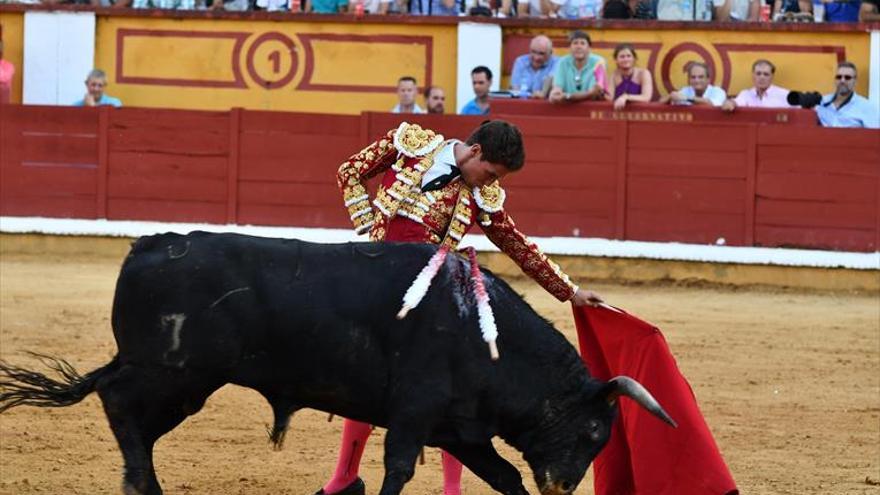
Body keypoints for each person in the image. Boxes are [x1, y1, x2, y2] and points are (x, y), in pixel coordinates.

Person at [325, 120, 603, 495]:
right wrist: (367, 223)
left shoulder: (482, 196)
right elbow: (350, 171)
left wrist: (569, 291)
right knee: (363, 380)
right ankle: (344, 478)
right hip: (376, 282)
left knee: (450, 390)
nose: (490, 184)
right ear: (475, 151)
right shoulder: (410, 145)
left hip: (430, 297)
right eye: (489, 174)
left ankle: (451, 490)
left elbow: (517, 245)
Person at [548, 30, 607, 104]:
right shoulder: (562, 62)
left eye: (582, 43)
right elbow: (557, 90)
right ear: (569, 48)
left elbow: (593, 94)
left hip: (589, 108)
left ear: (589, 48)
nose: (578, 47)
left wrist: (567, 96)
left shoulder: (599, 62)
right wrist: (555, 94)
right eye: (575, 43)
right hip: (567, 109)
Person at [815, 61, 879, 128]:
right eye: (839, 77)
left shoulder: (867, 108)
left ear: (855, 81)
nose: (842, 80)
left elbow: (874, 136)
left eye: (847, 77)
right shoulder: (821, 102)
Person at [721, 59, 791, 111]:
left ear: (772, 77)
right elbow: (735, 102)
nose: (762, 77)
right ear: (753, 75)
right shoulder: (746, 94)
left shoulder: (784, 94)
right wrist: (730, 103)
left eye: (766, 74)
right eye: (758, 74)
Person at [508, 35, 558, 99]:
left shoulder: (557, 62)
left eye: (541, 54)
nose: (536, 57)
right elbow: (515, 88)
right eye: (533, 52)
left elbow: (551, 78)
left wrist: (543, 93)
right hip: (523, 104)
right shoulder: (521, 62)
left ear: (550, 53)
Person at [607, 43, 653, 110]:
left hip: (641, 113)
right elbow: (610, 98)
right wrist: (599, 92)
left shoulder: (644, 73)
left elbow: (646, 97)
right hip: (620, 114)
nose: (626, 59)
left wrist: (625, 97)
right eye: (622, 57)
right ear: (616, 60)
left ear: (634, 58)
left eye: (629, 56)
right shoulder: (614, 76)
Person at [659, 62, 726, 107]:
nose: (696, 80)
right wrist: (670, 96)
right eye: (693, 77)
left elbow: (711, 103)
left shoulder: (718, 91)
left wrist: (687, 98)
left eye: (701, 77)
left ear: (708, 79)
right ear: (688, 80)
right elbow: (660, 103)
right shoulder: (686, 90)